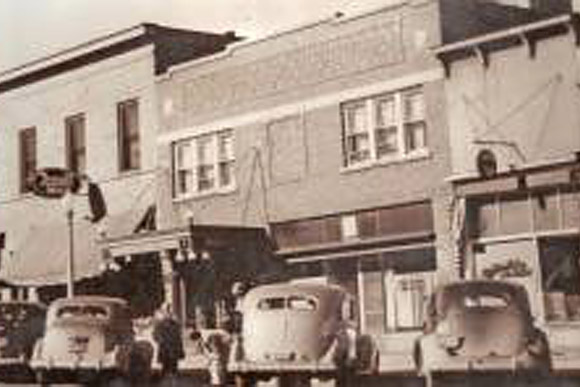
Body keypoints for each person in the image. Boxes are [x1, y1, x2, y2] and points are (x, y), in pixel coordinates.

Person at [152, 304, 185, 376]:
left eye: (169, 310)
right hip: (165, 344)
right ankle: (165, 372)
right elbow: (155, 333)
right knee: (165, 361)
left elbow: (178, 332)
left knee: (173, 360)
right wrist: (159, 339)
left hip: (173, 344)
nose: (168, 312)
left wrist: (177, 340)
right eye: (166, 310)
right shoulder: (160, 322)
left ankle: (173, 372)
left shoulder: (175, 321)